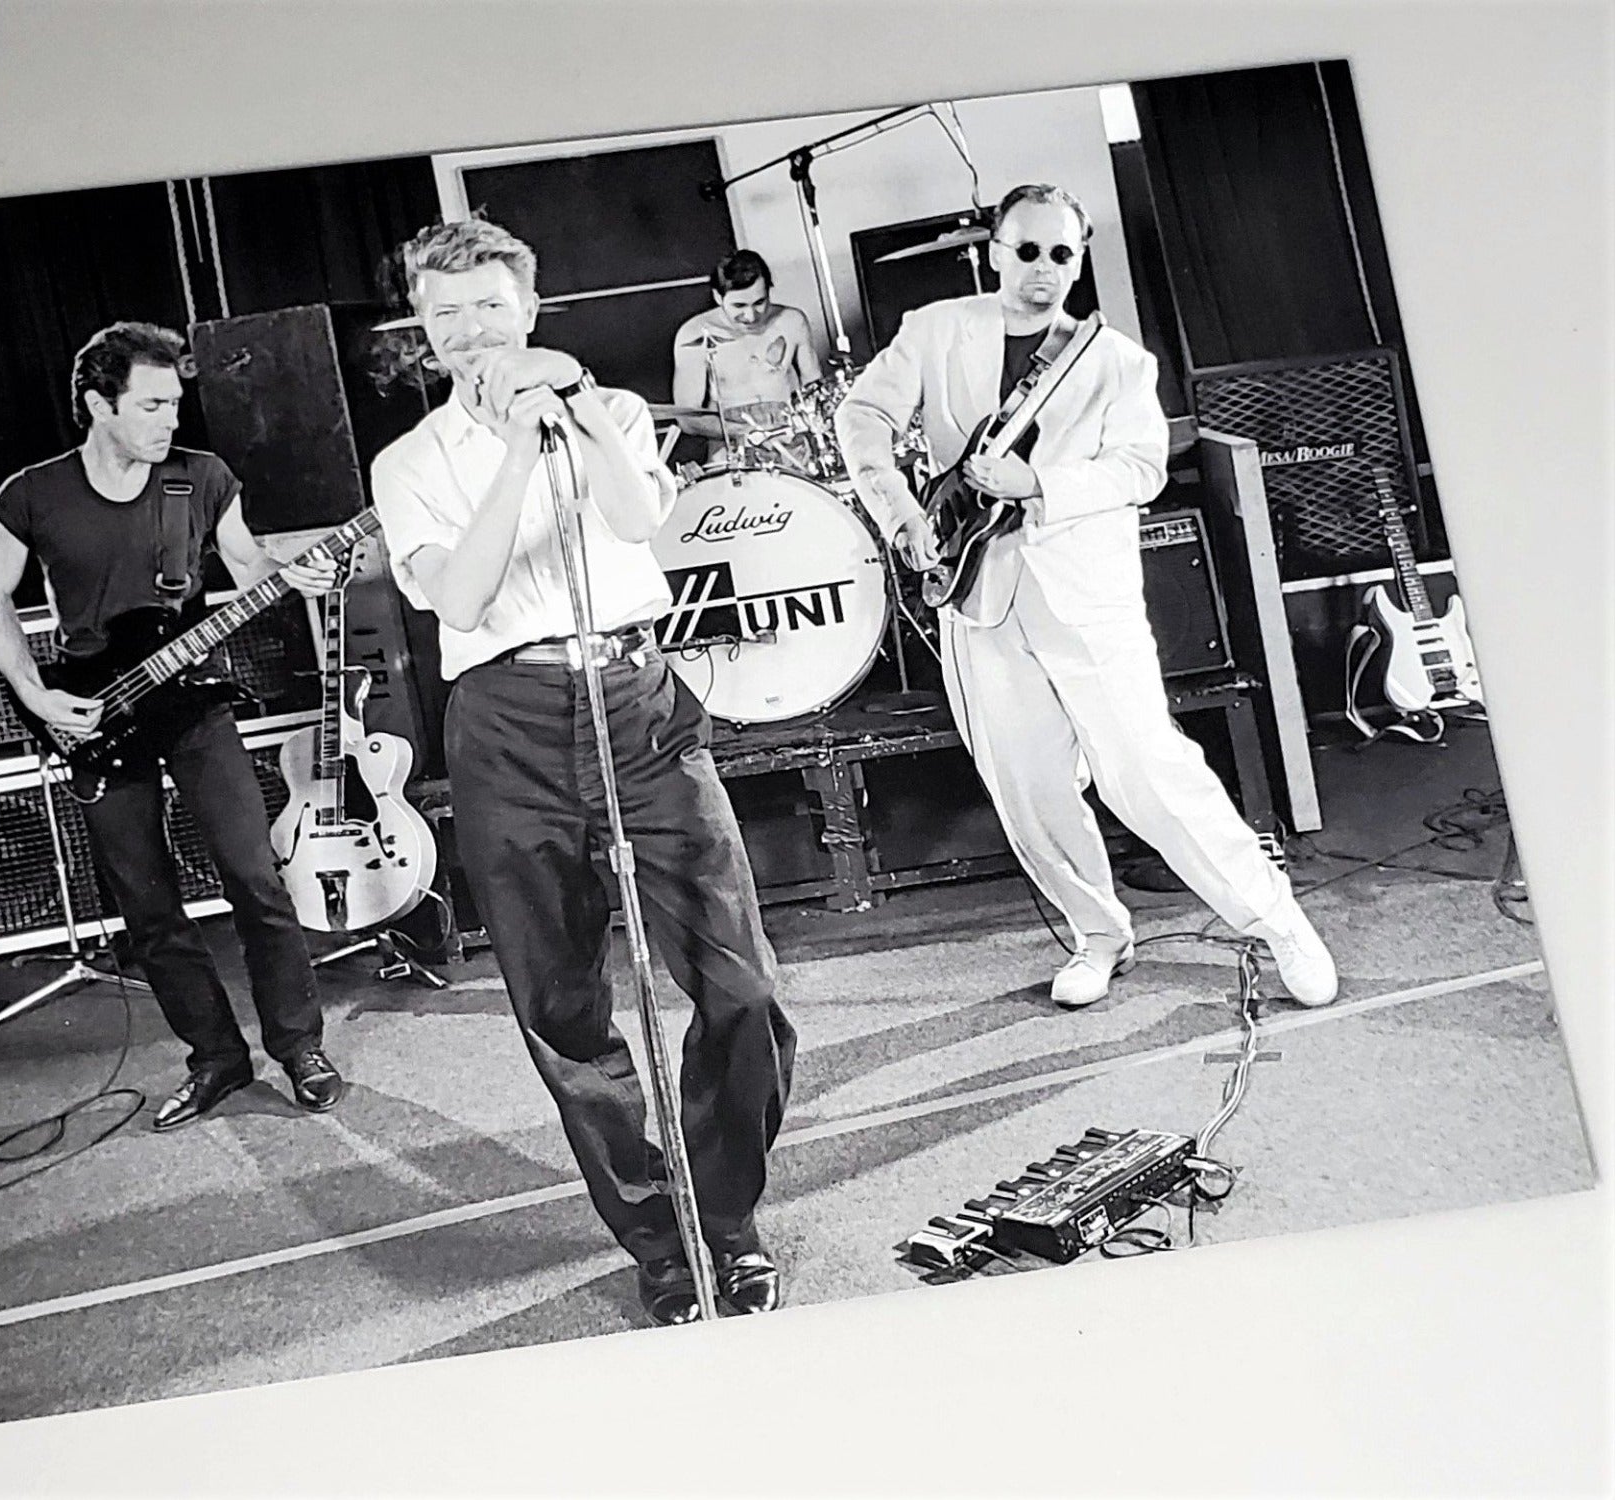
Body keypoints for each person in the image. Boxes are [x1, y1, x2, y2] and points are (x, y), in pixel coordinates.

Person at [371, 219, 797, 1325]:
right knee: (563, 1006)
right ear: (425, 329)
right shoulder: (409, 462)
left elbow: (642, 520)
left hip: (637, 699)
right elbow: (457, 603)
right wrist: (512, 453)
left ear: (528, 311)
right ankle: (657, 1240)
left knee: (739, 985)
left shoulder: (606, 413)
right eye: (446, 314)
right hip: (506, 720)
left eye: (489, 308)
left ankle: (727, 1220)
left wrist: (568, 418)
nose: (471, 332)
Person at [835, 184, 1339, 1010]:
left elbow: (1141, 469)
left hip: (1086, 595)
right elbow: (861, 419)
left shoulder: (1116, 362)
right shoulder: (933, 332)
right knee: (1028, 785)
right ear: (994, 250)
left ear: (1080, 259)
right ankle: (1098, 933)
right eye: (1025, 251)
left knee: (1147, 768)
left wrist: (1040, 482)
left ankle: (1278, 922)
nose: (1042, 271)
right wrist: (899, 515)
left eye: (1060, 254)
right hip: (977, 595)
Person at [0, 322, 348, 1131]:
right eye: (150, 405)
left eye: (175, 404)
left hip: (192, 703)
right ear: (98, 404)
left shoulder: (201, 479)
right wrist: (36, 696)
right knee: (149, 909)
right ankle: (216, 1059)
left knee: (256, 876)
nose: (169, 420)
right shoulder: (32, 492)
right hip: (93, 713)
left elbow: (248, 566)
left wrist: (301, 578)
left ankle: (300, 1047)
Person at [670, 249, 821, 466]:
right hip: (732, 446)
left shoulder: (792, 321)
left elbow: (815, 390)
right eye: (739, 306)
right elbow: (687, 419)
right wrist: (749, 432)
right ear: (718, 297)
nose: (750, 316)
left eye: (759, 303)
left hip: (792, 441)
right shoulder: (694, 334)